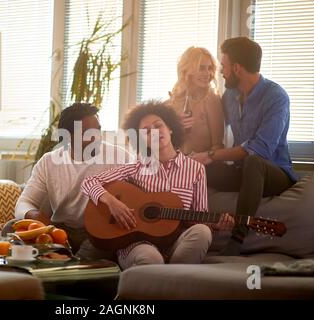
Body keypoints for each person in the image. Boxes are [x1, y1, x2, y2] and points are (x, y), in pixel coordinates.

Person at [81, 100, 233, 270]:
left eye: (158, 126)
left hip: (177, 244)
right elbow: (89, 182)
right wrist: (112, 202)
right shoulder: (135, 167)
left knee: (202, 232)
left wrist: (215, 225)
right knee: (151, 258)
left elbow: (199, 217)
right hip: (138, 243)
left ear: (170, 129)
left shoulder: (195, 169)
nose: (154, 132)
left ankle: (167, 279)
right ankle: (172, 280)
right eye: (146, 131)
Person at [191, 37, 297, 256]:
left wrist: (213, 154)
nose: (220, 71)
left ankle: (237, 238)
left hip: (274, 173)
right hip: (243, 171)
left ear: (237, 68)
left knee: (253, 162)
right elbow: (212, 125)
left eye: (223, 66)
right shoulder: (230, 96)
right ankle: (189, 228)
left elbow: (259, 150)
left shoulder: (276, 97)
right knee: (201, 170)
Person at [14, 102, 133, 260]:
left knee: (89, 254)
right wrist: (36, 217)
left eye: (97, 129)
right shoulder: (49, 161)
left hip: (98, 233)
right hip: (58, 229)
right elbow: (24, 203)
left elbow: (137, 196)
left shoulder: (119, 156)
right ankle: (57, 261)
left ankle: (66, 266)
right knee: (11, 228)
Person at [167, 46, 224, 155]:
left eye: (210, 68)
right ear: (187, 70)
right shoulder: (173, 101)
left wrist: (201, 158)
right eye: (201, 68)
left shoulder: (211, 99)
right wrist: (174, 127)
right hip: (176, 166)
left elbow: (218, 146)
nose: (208, 73)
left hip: (203, 166)